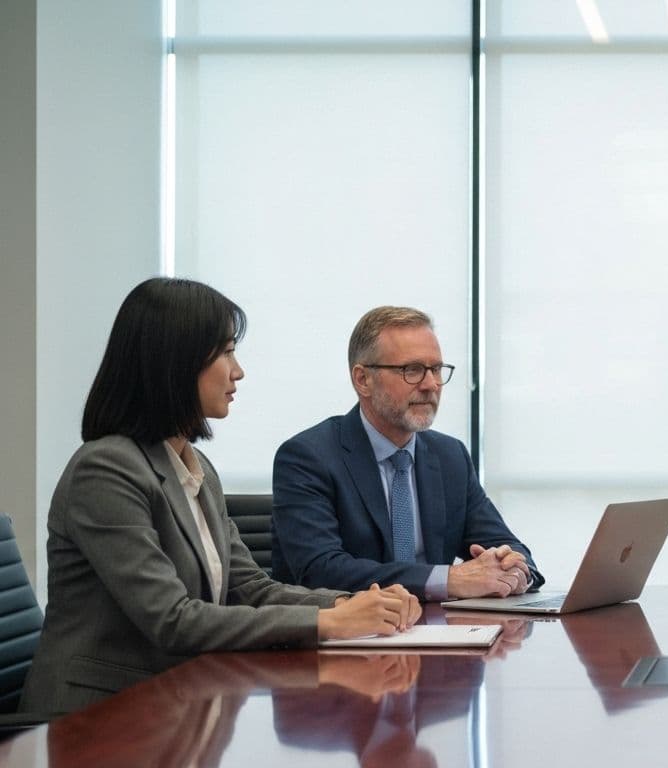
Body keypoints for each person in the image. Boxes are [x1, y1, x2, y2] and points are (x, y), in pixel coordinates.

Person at [20, 278, 420, 715]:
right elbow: (173, 619)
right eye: (226, 351)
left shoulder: (195, 467)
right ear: (175, 361)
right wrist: (330, 621)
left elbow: (248, 588)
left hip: (180, 704)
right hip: (97, 719)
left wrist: (353, 604)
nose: (238, 370)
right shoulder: (105, 471)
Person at [272, 306, 542, 601]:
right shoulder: (307, 457)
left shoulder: (450, 456)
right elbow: (320, 570)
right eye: (411, 370)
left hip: (441, 634)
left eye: (436, 369)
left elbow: (504, 544)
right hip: (348, 638)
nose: (430, 385)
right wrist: (448, 580)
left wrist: (514, 569)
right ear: (363, 379)